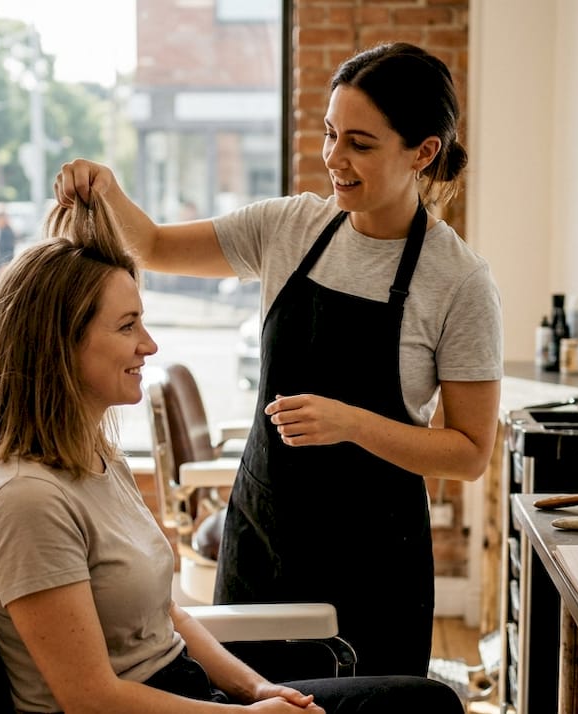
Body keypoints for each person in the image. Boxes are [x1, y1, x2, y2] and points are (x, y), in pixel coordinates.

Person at [54, 42, 503, 677]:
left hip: (374, 559)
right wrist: (106, 189)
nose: (334, 159)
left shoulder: (459, 282)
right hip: (262, 536)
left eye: (361, 143)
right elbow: (151, 244)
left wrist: (350, 424)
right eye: (329, 134)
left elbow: (469, 452)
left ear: (423, 152)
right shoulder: (288, 228)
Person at [0, 197, 464, 713]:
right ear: (59, 344)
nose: (149, 345)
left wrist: (257, 689)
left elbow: (169, 617)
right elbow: (92, 699)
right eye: (126, 326)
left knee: (421, 701)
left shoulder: (94, 458)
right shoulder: (27, 503)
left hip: (190, 691)